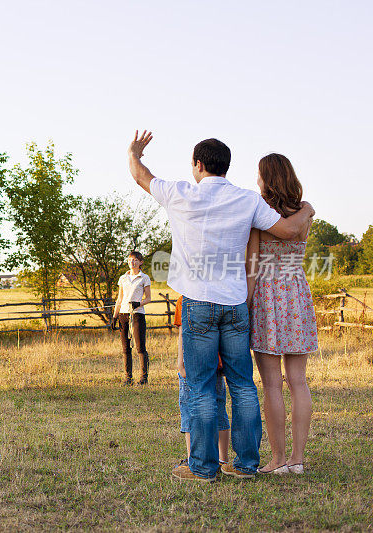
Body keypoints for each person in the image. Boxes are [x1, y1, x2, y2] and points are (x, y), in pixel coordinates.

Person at [127, 131, 314, 482]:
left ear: (198, 165)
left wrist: (134, 152)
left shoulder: (180, 193)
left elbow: (140, 175)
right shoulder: (247, 200)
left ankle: (202, 466)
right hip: (236, 304)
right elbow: (289, 232)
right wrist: (307, 208)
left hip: (198, 303)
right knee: (243, 385)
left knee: (200, 387)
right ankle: (245, 464)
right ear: (227, 167)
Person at [246, 153, 317, 475]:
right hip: (297, 291)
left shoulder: (259, 213)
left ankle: (277, 459)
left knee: (272, 385)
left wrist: (244, 306)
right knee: (299, 382)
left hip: (266, 295)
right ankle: (297, 460)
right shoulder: (304, 212)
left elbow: (251, 266)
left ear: (266, 178)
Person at [174, 296, 231, 468]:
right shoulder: (223, 296)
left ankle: (194, 458)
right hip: (216, 362)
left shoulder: (184, 299)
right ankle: (222, 459)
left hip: (194, 362)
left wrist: (180, 361)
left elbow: (183, 332)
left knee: (189, 408)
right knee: (219, 407)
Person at [112, 251, 152, 384]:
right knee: (125, 347)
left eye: (135, 260)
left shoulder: (144, 278)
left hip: (137, 313)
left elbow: (149, 298)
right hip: (123, 314)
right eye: (130, 260)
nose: (132, 262)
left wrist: (138, 304)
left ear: (140, 262)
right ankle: (128, 377)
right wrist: (114, 316)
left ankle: (143, 377)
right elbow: (119, 298)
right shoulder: (123, 278)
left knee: (140, 347)